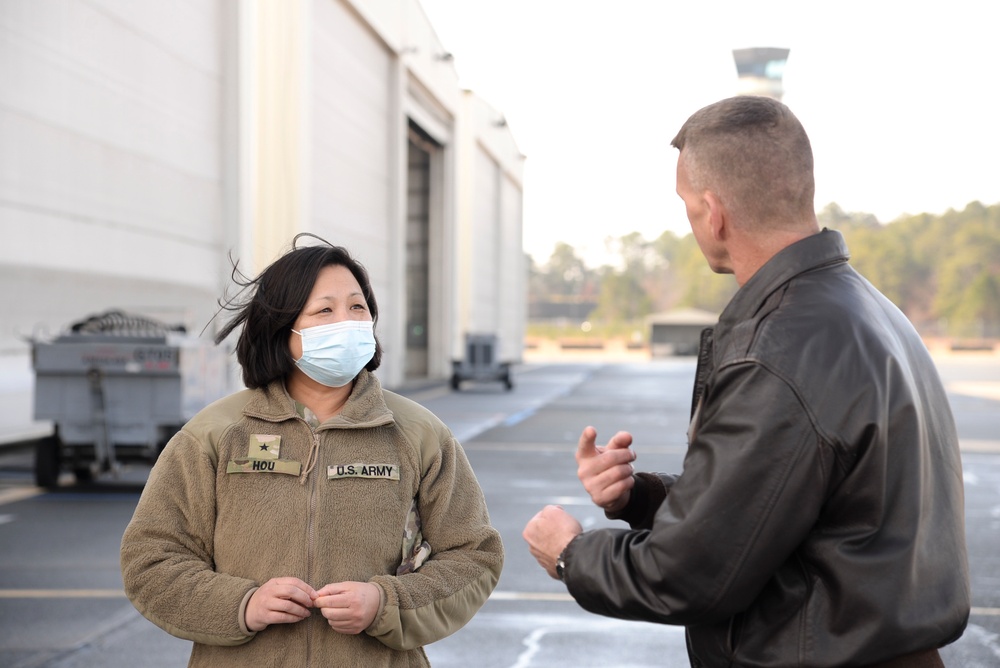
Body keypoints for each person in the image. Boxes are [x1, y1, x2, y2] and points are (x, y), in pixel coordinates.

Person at [523, 96, 970, 667]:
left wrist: (571, 553)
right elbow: (777, 509)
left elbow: (690, 575)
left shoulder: (779, 349)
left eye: (686, 208)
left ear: (714, 212)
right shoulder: (871, 310)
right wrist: (641, 497)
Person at [121, 234, 503, 667]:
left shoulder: (418, 434)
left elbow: (474, 555)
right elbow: (150, 559)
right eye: (325, 310)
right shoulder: (214, 434)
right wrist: (241, 605)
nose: (348, 321)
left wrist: (386, 602)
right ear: (282, 328)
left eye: (357, 308)